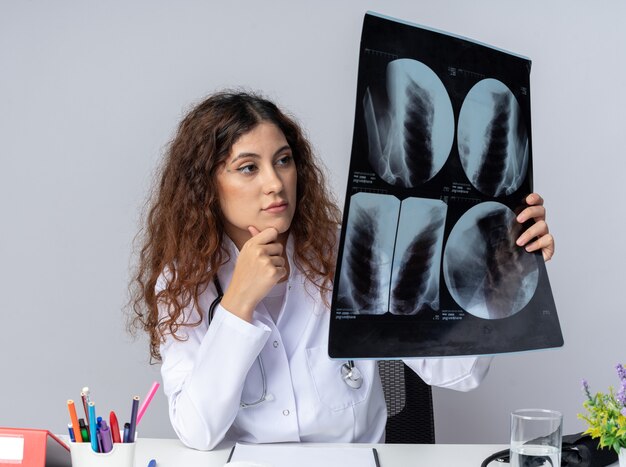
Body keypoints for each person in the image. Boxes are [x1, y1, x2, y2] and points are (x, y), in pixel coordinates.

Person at [129, 90, 555, 451]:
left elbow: (460, 372)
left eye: (283, 160)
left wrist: (506, 264)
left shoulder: (350, 251)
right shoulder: (184, 281)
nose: (275, 183)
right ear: (206, 186)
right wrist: (238, 303)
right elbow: (197, 431)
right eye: (248, 167)